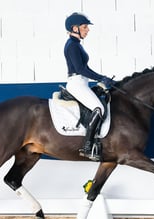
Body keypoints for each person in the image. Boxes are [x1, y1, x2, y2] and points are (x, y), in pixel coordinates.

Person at [64, 12, 115, 161]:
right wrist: (101, 78)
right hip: (76, 83)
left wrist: (102, 78)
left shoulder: (76, 44)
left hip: (82, 82)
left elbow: (86, 69)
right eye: (85, 27)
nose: (88, 30)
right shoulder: (72, 45)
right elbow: (80, 69)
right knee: (98, 108)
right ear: (75, 28)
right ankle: (87, 146)